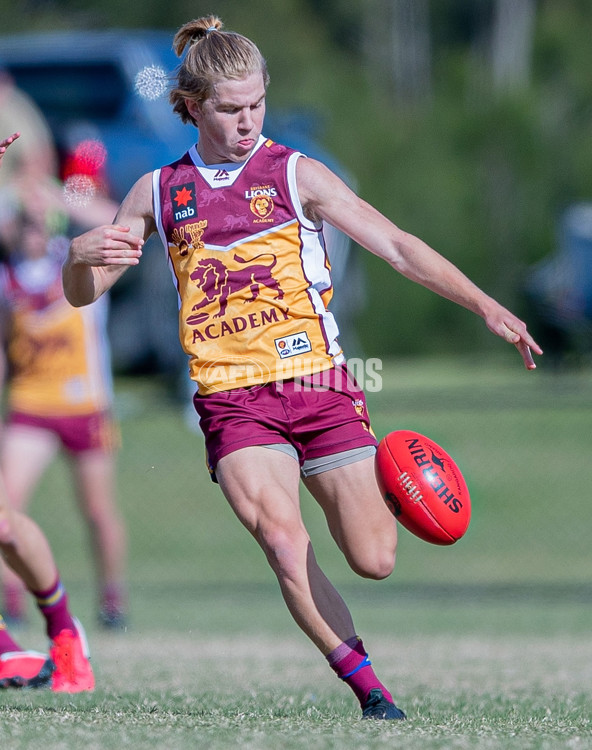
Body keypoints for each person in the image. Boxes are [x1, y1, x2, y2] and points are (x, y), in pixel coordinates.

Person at [62, 17, 542, 719]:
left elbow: (399, 247)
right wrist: (79, 256)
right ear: (192, 106)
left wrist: (485, 306)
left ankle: (397, 461)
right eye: (230, 109)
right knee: (284, 542)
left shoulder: (294, 172)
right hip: (232, 400)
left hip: (318, 385)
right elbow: (84, 297)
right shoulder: (158, 192)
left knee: (375, 558)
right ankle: (372, 695)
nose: (248, 120)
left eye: (257, 104)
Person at [0, 184, 128, 631]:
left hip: (85, 405)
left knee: (97, 511)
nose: (31, 231)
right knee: (5, 509)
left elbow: (122, 224)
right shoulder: (3, 279)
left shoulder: (76, 263)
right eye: (24, 223)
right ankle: (13, 603)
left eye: (39, 224)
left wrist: (56, 196)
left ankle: (112, 601)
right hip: (30, 406)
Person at [0, 133, 94, 692]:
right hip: (33, 404)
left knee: (1, 522)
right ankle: (0, 645)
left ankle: (63, 631)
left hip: (76, 402)